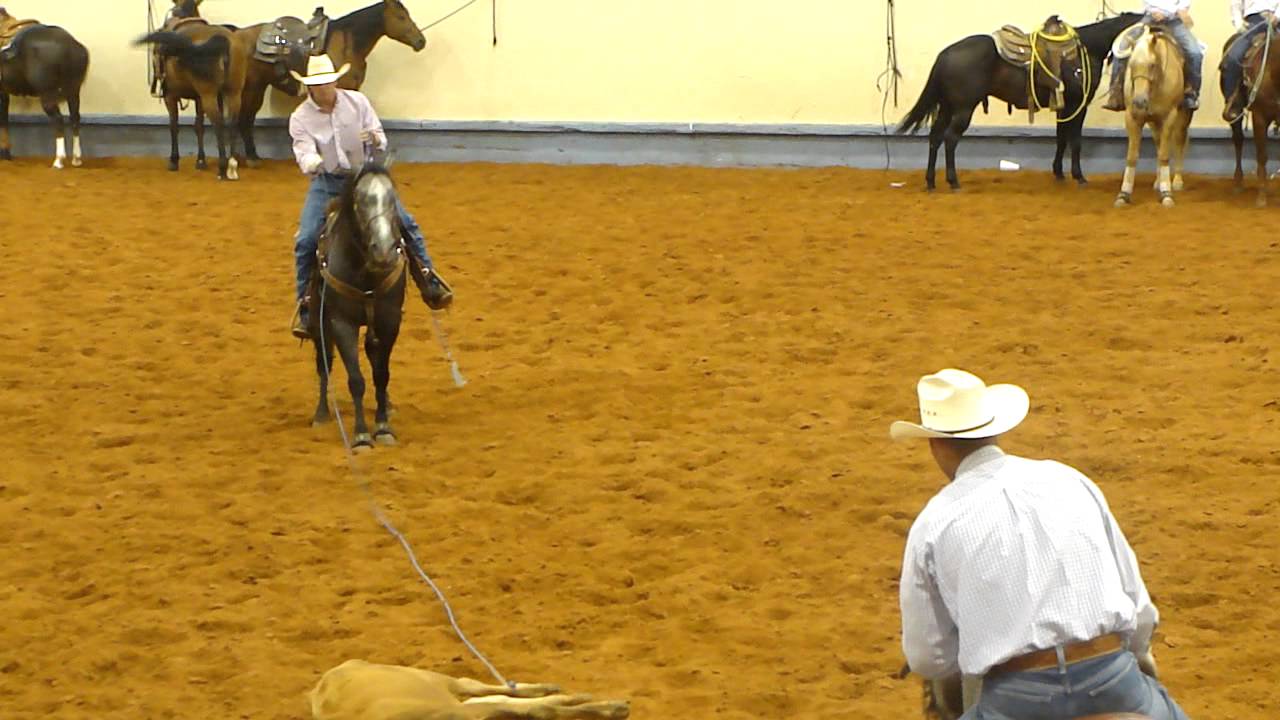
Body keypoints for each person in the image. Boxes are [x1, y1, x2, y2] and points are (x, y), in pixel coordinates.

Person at [891, 368, 1191, 719]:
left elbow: (929, 658)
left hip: (1016, 699)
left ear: (933, 443)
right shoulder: (1070, 480)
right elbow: (1140, 611)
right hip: (1111, 679)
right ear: (995, 430)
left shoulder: (934, 522)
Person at [287, 54, 452, 340]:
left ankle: (427, 275)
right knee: (306, 240)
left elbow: (379, 135)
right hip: (327, 182)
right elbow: (303, 150)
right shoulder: (300, 117)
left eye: (328, 81)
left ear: (336, 80)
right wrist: (311, 160)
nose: (325, 87)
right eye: (319, 84)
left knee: (405, 222)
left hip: (364, 177)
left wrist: (375, 139)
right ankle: (306, 302)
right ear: (310, 88)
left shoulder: (358, 103)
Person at [1102, 0, 1204, 111]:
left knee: (1195, 53)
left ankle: (1191, 94)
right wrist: (1159, 11)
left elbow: (1184, 4)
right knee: (1121, 47)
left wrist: (1168, 13)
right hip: (1150, 19)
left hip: (1175, 22)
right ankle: (1116, 92)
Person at [1221, 0, 1280, 120]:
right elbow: (1235, 5)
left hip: (1277, 20)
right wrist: (1239, 25)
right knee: (1233, 57)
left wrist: (1277, 16)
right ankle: (1233, 102)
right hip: (1253, 23)